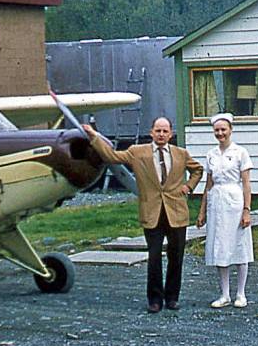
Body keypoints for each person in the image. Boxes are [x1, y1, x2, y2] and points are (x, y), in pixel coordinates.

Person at [84, 117, 203, 313]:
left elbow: (198, 170)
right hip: (152, 212)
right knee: (154, 257)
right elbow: (112, 157)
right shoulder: (137, 152)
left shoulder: (181, 154)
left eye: (165, 131)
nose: (161, 134)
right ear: (151, 132)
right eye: (158, 131)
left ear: (171, 134)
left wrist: (188, 187)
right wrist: (94, 136)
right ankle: (155, 299)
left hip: (176, 212)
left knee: (177, 257)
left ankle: (172, 298)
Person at [196, 113, 254, 308]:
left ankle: (241, 293)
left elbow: (246, 184)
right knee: (220, 246)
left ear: (231, 130)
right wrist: (202, 211)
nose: (220, 133)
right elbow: (208, 184)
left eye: (223, 129)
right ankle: (224, 294)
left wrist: (247, 209)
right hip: (217, 202)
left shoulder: (240, 152)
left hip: (235, 200)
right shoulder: (211, 154)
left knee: (239, 245)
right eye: (217, 130)